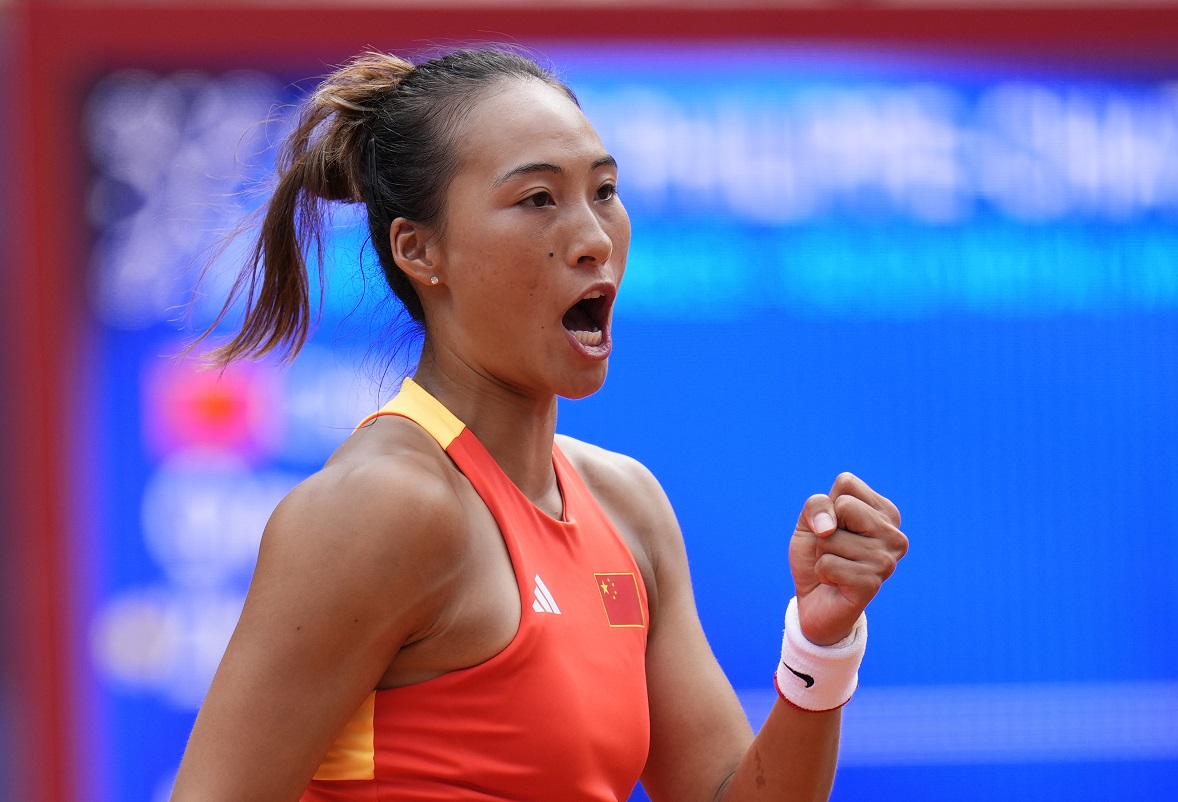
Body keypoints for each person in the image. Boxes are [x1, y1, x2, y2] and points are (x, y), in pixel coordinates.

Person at [171, 48, 908, 802]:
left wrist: (822, 643)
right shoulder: (379, 508)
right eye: (538, 199)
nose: (593, 237)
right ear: (420, 250)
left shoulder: (629, 507)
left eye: (605, 191)